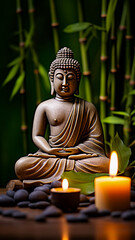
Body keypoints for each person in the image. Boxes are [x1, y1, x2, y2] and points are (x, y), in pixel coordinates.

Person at [15, 47, 109, 186]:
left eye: (70, 78)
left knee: (106, 165)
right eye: (60, 77)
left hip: (77, 157)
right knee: (21, 165)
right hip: (51, 157)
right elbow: (37, 135)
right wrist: (48, 149)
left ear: (78, 81)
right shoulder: (44, 106)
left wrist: (77, 149)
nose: (65, 83)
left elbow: (95, 140)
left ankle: (60, 177)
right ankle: (71, 177)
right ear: (51, 79)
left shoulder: (87, 107)